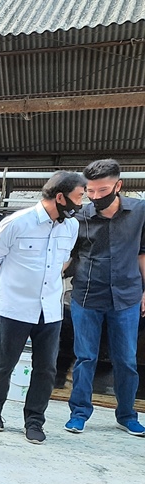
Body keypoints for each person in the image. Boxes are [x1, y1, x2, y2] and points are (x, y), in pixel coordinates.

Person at [0, 171, 85, 443]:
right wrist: (5, 290)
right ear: (60, 197)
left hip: (50, 309)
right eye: (77, 198)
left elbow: (63, 262)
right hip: (15, 307)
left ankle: (35, 421)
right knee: (4, 363)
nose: (80, 205)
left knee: (46, 368)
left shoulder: (70, 227)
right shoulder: (16, 223)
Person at [66, 159, 145, 436]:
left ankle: (126, 415)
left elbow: (142, 252)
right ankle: (79, 413)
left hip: (127, 296)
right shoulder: (80, 216)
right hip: (87, 294)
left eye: (103, 190)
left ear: (119, 185)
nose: (97, 196)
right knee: (85, 357)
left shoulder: (140, 212)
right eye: (91, 191)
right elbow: (67, 256)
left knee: (126, 359)